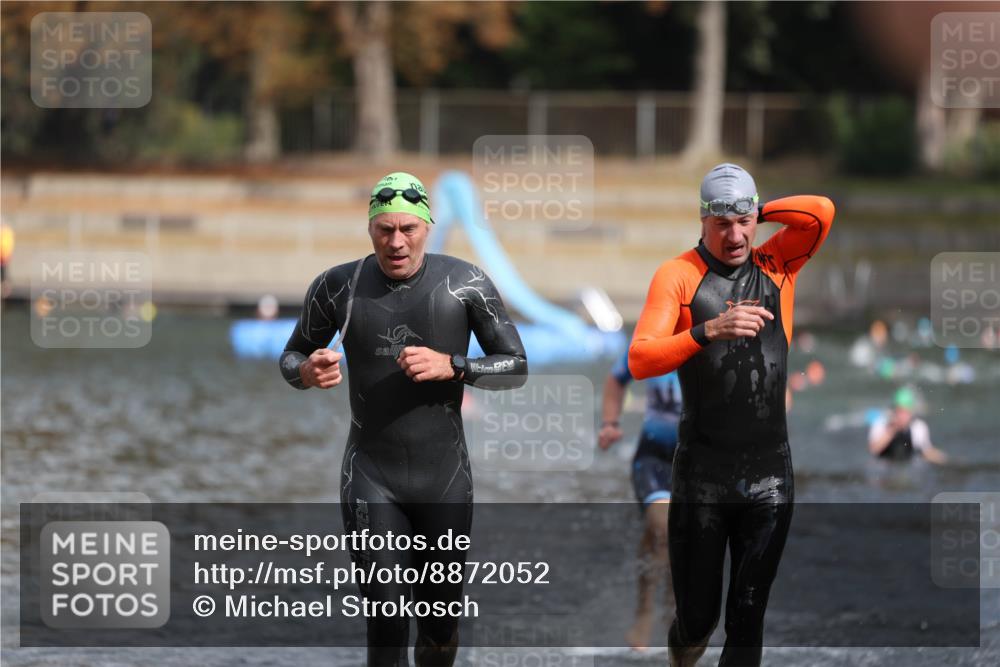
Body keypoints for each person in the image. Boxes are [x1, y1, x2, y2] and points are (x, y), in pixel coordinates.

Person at [280, 172, 528, 667]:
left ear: (427, 227)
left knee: (439, 626)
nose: (396, 242)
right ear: (370, 229)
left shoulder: (465, 282)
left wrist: (454, 366)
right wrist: (307, 371)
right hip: (371, 476)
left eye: (408, 230)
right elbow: (290, 358)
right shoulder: (336, 287)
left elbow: (516, 367)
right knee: (387, 617)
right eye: (385, 230)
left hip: (445, 481)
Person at [628, 163, 835, 666]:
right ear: (702, 222)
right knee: (698, 621)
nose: (736, 234)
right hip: (702, 477)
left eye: (743, 222)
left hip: (769, 477)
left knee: (747, 615)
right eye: (722, 223)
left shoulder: (777, 264)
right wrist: (706, 332)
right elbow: (640, 359)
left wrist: (752, 207)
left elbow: (821, 213)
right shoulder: (678, 275)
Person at [598, 349, 681, 650]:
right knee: (662, 526)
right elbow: (617, 379)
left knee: (684, 539)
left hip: (700, 458)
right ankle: (644, 611)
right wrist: (611, 422)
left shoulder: (714, 335)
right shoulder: (652, 338)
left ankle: (674, 609)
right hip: (654, 458)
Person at [868, 387, 947, 464]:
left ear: (911, 412)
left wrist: (944, 460)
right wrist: (892, 430)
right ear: (893, 411)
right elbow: (874, 450)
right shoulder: (881, 423)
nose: (901, 416)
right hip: (884, 465)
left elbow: (926, 451)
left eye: (905, 412)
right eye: (899, 411)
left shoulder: (918, 427)